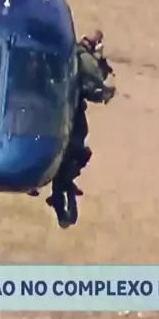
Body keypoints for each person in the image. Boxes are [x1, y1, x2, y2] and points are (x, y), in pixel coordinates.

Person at [46, 29, 116, 225]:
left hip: (59, 110)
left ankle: (62, 188)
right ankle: (64, 184)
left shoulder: (72, 54)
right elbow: (95, 85)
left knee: (72, 151)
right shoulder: (86, 60)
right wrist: (104, 81)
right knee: (76, 148)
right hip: (70, 113)